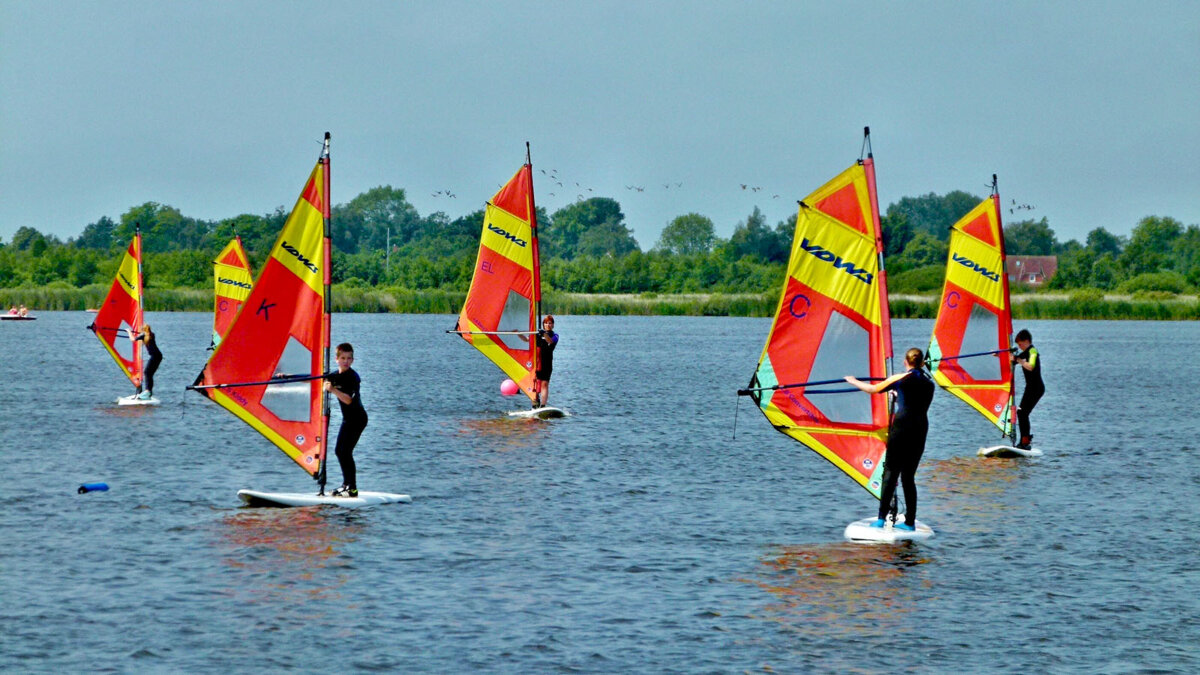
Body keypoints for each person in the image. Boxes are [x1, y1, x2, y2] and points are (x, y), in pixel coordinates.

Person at [845, 348, 935, 531]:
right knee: (908, 477)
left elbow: (872, 389)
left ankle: (880, 519)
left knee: (890, 473)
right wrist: (897, 395)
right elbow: (914, 401)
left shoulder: (899, 379)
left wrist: (853, 381)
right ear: (922, 363)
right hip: (920, 430)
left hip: (901, 429)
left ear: (905, 362)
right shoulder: (929, 383)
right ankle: (910, 522)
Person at [324, 342, 368, 498]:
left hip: (358, 419)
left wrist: (333, 390)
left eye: (349, 358)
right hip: (348, 420)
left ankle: (352, 488)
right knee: (339, 451)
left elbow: (348, 400)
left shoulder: (353, 378)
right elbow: (316, 378)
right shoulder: (335, 375)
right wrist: (287, 376)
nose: (346, 361)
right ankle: (346, 485)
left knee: (345, 451)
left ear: (352, 360)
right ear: (337, 359)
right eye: (343, 358)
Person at [1012, 328, 1043, 450]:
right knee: (1021, 413)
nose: (1019, 347)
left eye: (1020, 344)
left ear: (1026, 341)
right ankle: (1024, 440)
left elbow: (1030, 366)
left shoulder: (1033, 351)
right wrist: (999, 355)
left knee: (1022, 413)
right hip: (1030, 388)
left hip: (1037, 388)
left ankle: (1025, 441)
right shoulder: (1024, 353)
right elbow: (1013, 361)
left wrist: (1018, 360)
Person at [529, 315, 559, 408]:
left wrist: (544, 334)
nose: (548, 324)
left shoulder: (555, 336)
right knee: (536, 384)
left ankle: (543, 406)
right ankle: (535, 403)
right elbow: (527, 340)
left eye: (550, 323)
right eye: (546, 323)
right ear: (543, 324)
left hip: (547, 363)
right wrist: (518, 333)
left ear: (553, 325)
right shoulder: (538, 335)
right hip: (537, 363)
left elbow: (550, 341)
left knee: (544, 384)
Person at [133, 324, 163, 400]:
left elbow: (132, 339)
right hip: (158, 356)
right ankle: (149, 392)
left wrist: (128, 332)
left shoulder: (144, 336)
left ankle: (148, 391)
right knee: (150, 373)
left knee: (147, 372)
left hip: (155, 356)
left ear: (143, 330)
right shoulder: (151, 335)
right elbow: (145, 341)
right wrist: (140, 335)